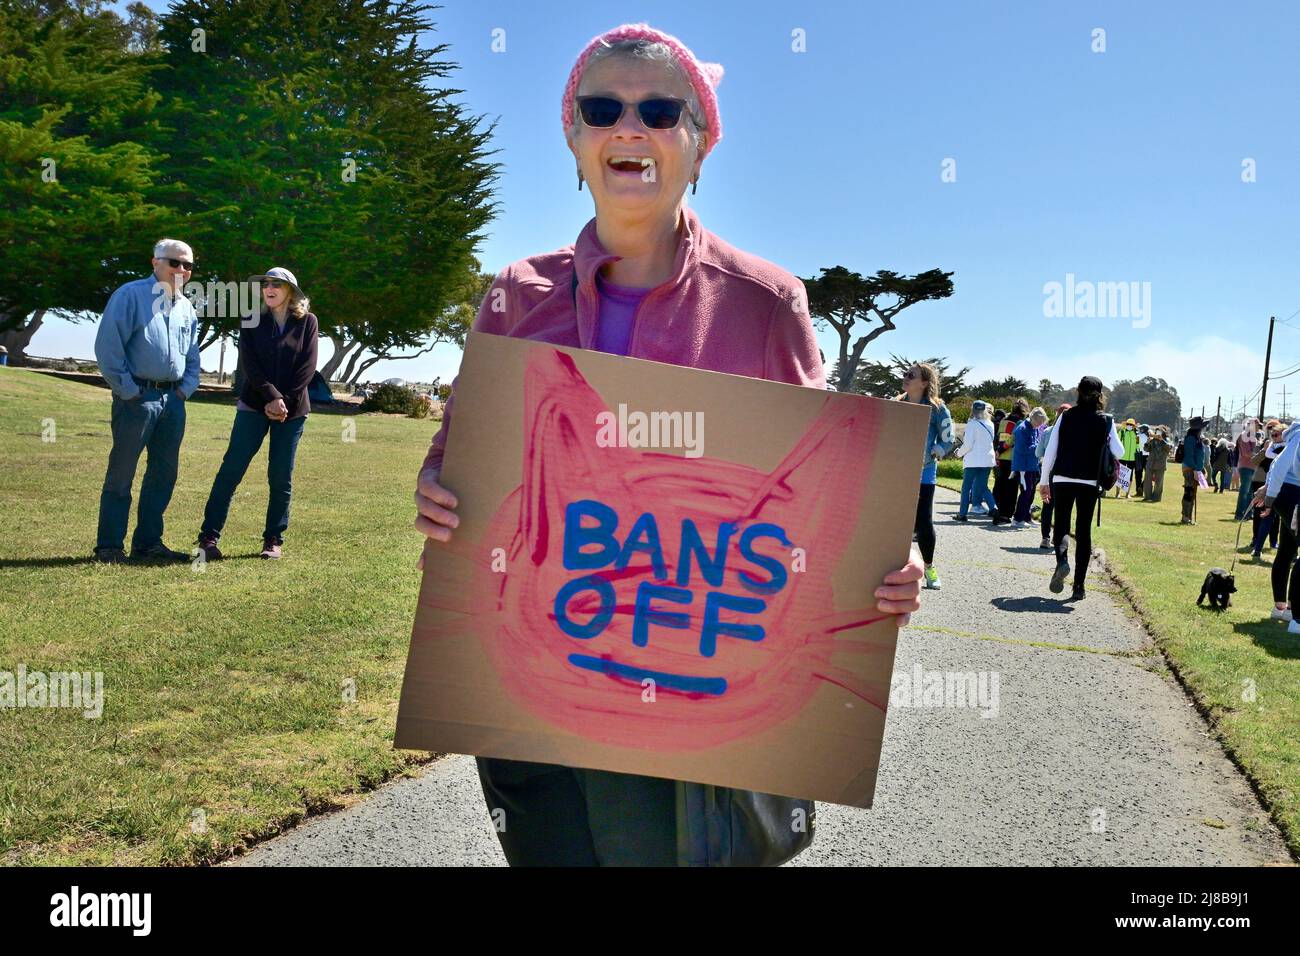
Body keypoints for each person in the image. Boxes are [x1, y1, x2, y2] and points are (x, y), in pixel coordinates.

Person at [411, 23, 924, 868]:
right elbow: (463, 445)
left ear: (700, 143)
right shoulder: (514, 294)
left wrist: (878, 561)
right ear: (573, 139)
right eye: (601, 107)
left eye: (660, 110)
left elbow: (816, 477)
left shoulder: (766, 304)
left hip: (687, 697)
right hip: (534, 690)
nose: (630, 126)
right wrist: (438, 485)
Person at [197, 268, 319, 560]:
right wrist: (271, 397)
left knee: (280, 477)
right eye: (266, 284)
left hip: (293, 411)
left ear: (290, 291)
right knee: (231, 470)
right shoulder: (251, 319)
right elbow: (249, 365)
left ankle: (273, 540)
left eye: (277, 284)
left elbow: (307, 367)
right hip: (254, 404)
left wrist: (283, 402)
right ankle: (208, 539)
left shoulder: (308, 323)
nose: (269, 288)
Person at [93, 238, 201, 563]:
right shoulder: (130, 295)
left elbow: (192, 357)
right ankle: (109, 547)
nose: (181, 270)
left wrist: (184, 390)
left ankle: (148, 544)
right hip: (137, 399)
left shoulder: (187, 307)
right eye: (174, 262)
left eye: (188, 265)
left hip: (173, 401)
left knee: (163, 474)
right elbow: (108, 349)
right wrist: (129, 391)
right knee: (122, 473)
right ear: (155, 262)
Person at [1038, 376, 1124, 601]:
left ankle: (1062, 561)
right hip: (1089, 482)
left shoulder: (1066, 416)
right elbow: (1120, 451)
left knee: (1062, 525)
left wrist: (1044, 481)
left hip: (1063, 478)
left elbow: (1051, 451)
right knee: (1083, 531)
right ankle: (1079, 586)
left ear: (1078, 391)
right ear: (1100, 394)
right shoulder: (1106, 420)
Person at [896, 363, 955, 588]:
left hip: (924, 473)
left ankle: (929, 568)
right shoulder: (897, 403)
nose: (906, 377)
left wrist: (937, 451)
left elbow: (947, 438)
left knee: (923, 522)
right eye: (905, 374)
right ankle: (896, 566)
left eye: (911, 375)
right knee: (896, 520)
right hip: (898, 473)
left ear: (924, 382)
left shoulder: (937, 408)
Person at [1253, 421, 1300, 631]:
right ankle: (1295, 615)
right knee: (1292, 551)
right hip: (1292, 495)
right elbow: (1280, 466)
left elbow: (1277, 465)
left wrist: (1270, 492)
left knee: (1288, 550)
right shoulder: (1298, 436)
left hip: (1287, 493)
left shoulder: (1293, 437)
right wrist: (1270, 497)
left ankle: (1284, 607)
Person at [955, 400, 999, 522]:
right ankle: (993, 508)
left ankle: (962, 514)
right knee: (983, 486)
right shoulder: (990, 424)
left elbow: (968, 445)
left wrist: (959, 453)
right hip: (987, 460)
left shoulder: (972, 424)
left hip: (973, 461)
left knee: (966, 487)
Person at [1034, 403, 1071, 549]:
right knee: (1065, 508)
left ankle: (1045, 537)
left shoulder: (1048, 431)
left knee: (1048, 506)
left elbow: (1038, 453)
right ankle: (1060, 537)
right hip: (1066, 473)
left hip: (1050, 471)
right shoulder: (1073, 432)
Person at [1249, 421, 1285, 560]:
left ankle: (1273, 541)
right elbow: (1254, 461)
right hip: (1261, 481)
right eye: (1270, 430)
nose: (1272, 434)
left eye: (1275, 432)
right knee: (1260, 513)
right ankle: (1256, 540)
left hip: (1277, 483)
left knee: (1277, 517)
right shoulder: (1264, 443)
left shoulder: (1286, 447)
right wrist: (1264, 450)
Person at [1011, 407, 1047, 527]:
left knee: (1030, 492)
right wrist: (1038, 446)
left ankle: (1026, 517)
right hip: (1023, 466)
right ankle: (1017, 519)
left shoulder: (1034, 427)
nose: (1040, 425)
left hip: (1032, 465)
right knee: (1026, 492)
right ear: (1033, 418)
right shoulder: (1022, 429)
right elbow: (1022, 449)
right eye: (1039, 422)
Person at [993, 400, 1027, 525]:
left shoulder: (1003, 422)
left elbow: (998, 438)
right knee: (1011, 488)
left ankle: (998, 510)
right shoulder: (1021, 423)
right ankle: (1007, 514)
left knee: (1000, 485)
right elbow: (1014, 440)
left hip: (1001, 457)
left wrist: (998, 451)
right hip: (1014, 459)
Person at [1180, 417, 1208, 524]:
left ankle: (1188, 517)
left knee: (1192, 492)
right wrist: (1196, 470)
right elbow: (1189, 456)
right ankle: (1185, 516)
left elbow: (1198, 456)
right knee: (1189, 492)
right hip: (1190, 468)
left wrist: (1200, 469)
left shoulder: (1196, 438)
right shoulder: (1191, 438)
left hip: (1195, 468)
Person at [1235, 420, 1259, 519]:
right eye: (1257, 425)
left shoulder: (1253, 437)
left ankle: (1248, 514)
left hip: (1251, 467)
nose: (1258, 427)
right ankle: (1239, 514)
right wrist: (1260, 455)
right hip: (1245, 466)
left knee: (1250, 492)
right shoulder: (1244, 435)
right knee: (1245, 491)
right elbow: (1246, 453)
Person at [1143, 427, 1171, 502]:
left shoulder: (1166, 440)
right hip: (1150, 463)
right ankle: (1147, 496)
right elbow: (1146, 449)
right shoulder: (1152, 440)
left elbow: (1169, 449)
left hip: (1160, 464)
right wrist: (1147, 442)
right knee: (1147, 481)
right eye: (1156, 431)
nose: (1157, 433)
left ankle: (1156, 498)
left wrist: (1162, 440)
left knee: (1159, 482)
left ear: (1163, 432)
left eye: (1159, 431)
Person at [1114, 418, 1140, 498]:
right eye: (1128, 424)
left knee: (1130, 477)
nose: (1129, 426)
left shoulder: (1136, 434)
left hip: (1132, 459)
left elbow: (1138, 446)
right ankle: (1117, 493)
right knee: (1120, 475)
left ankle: (1127, 494)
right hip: (1122, 457)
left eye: (1131, 425)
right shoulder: (1121, 432)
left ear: (1133, 426)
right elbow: (1118, 443)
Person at [1132, 424, 1149, 498]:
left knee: (1138, 474)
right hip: (1148, 457)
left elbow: (1136, 444)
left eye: (1141, 429)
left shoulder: (1138, 436)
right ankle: (1141, 487)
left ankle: (1138, 490)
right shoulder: (1149, 437)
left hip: (1139, 456)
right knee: (1148, 474)